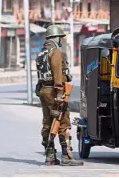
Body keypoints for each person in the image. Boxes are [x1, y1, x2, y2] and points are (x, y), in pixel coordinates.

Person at [35, 25, 83, 166]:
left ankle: (50, 156)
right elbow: (57, 74)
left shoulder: (42, 53)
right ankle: (67, 156)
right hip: (55, 92)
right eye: (60, 38)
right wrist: (60, 94)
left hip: (44, 91)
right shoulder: (55, 52)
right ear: (55, 38)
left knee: (48, 122)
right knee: (63, 122)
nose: (62, 41)